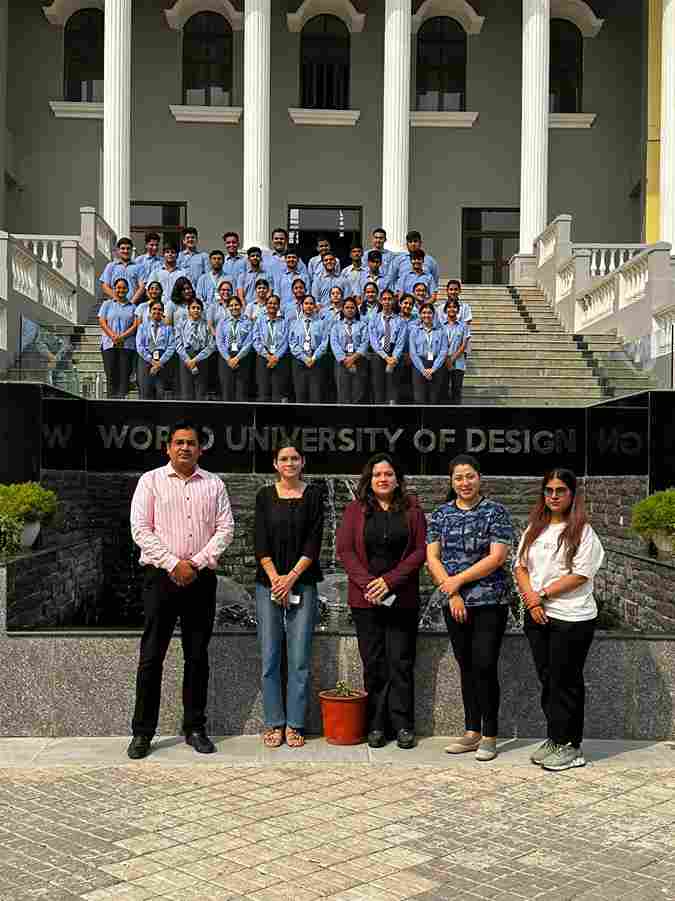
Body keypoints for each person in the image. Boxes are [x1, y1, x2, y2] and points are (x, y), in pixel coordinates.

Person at [128, 420, 234, 759]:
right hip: (160, 578)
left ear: (200, 449)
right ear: (168, 448)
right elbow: (140, 530)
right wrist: (174, 563)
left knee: (197, 657)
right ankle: (142, 732)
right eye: (179, 442)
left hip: (200, 579)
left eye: (191, 443)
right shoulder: (150, 481)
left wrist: (195, 564)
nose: (185, 448)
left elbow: (225, 529)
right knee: (151, 657)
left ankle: (195, 728)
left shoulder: (214, 484)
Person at [514, 469, 605, 772]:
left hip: (572, 617)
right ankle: (555, 738)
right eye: (549, 490)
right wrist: (531, 600)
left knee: (566, 681)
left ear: (572, 494)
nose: (553, 496)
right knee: (549, 680)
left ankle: (572, 746)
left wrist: (541, 595)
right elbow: (520, 567)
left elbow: (580, 575)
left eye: (560, 490)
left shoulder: (583, 531)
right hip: (538, 614)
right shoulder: (535, 528)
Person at [426, 455, 515, 762]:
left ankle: (490, 735)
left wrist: (457, 581)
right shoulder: (441, 514)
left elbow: (497, 557)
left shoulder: (495, 512)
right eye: (458, 478)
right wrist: (451, 593)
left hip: (490, 601)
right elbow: (432, 558)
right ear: (451, 482)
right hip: (455, 602)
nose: (464, 483)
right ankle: (471, 730)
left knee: (485, 665)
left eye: (470, 476)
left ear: (479, 478)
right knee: (466, 665)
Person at [336, 453, 427, 749]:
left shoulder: (413, 509)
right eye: (377, 475)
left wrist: (389, 581)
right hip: (366, 600)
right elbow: (345, 551)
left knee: (400, 661)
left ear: (397, 479)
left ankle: (402, 725)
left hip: (402, 598)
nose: (383, 479)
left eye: (388, 474)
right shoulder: (355, 510)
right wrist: (369, 584)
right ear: (369, 479)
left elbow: (420, 551)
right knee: (373, 663)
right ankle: (375, 725)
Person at [254, 444, 325, 748]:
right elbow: (259, 540)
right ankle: (274, 722)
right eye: (284, 458)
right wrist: (276, 580)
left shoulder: (314, 495)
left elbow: (313, 542)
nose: (290, 463)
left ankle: (295, 724)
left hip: (303, 582)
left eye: (295, 458)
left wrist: (291, 578)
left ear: (303, 462)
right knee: (270, 655)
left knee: (299, 658)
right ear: (275, 463)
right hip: (267, 584)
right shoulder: (264, 495)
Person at [98, 277, 138, 398]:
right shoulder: (107, 304)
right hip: (109, 344)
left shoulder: (133, 307)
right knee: (111, 376)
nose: (121, 290)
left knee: (124, 377)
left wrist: (122, 337)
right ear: (114, 289)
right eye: (118, 288)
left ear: (128, 289)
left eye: (124, 288)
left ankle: (122, 401)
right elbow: (102, 321)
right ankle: (111, 402)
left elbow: (135, 325)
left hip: (127, 346)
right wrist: (113, 335)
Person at [289, 294, 330, 403]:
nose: (309, 306)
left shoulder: (321, 323)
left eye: (311, 304)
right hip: (299, 361)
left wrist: (314, 358)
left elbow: (324, 343)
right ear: (302, 306)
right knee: (300, 395)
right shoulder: (294, 323)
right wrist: (304, 358)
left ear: (315, 306)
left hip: (316, 361)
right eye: (306, 303)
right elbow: (292, 343)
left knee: (316, 396)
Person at [369, 289, 407, 405]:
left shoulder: (400, 320)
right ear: (380, 301)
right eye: (384, 299)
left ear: (394, 301)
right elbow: (373, 341)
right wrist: (386, 357)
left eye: (389, 299)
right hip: (379, 354)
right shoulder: (374, 319)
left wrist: (393, 358)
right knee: (378, 386)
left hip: (394, 354)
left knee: (393, 386)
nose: (387, 302)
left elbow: (400, 342)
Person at [175, 297, 215, 400]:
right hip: (186, 358)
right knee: (186, 390)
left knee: (201, 391)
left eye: (198, 308)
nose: (196, 310)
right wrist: (188, 360)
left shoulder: (206, 325)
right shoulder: (181, 324)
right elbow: (178, 344)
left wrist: (195, 360)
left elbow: (211, 346)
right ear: (188, 310)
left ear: (201, 310)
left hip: (201, 358)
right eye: (193, 308)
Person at [331, 297, 370, 404]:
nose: (349, 310)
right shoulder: (336, 326)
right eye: (347, 307)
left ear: (356, 310)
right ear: (343, 309)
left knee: (358, 393)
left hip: (359, 361)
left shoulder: (362, 325)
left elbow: (365, 343)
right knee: (343, 394)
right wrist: (345, 360)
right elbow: (334, 344)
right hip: (342, 362)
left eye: (352, 307)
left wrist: (353, 358)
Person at [215, 295, 254, 401]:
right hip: (226, 358)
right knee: (227, 390)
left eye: (236, 305)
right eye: (231, 305)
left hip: (242, 357)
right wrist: (228, 359)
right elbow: (219, 342)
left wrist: (237, 358)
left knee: (242, 391)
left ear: (241, 306)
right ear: (228, 307)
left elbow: (249, 342)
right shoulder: (222, 322)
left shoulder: (247, 322)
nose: (234, 307)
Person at [253, 294, 290, 402]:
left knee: (278, 392)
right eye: (270, 303)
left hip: (279, 359)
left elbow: (286, 341)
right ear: (266, 305)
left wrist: (275, 357)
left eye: (275, 303)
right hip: (263, 358)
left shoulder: (284, 322)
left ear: (278, 306)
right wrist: (268, 356)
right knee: (263, 391)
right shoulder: (260, 320)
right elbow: (256, 340)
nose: (272, 305)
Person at [409, 302, 448, 405]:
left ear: (434, 314)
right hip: (419, 365)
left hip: (436, 364)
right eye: (424, 312)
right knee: (419, 398)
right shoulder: (415, 331)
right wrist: (423, 370)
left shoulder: (441, 331)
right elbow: (413, 353)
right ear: (420, 314)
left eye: (429, 313)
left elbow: (443, 351)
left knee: (434, 399)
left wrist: (433, 369)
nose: (426, 315)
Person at [136, 299, 175, 399]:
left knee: (160, 392)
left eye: (160, 309)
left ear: (163, 312)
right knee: (145, 392)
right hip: (145, 360)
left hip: (162, 362)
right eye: (154, 309)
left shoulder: (168, 328)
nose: (157, 311)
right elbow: (139, 346)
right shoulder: (142, 327)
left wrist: (159, 363)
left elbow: (171, 346)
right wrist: (151, 361)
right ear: (150, 311)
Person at [99, 237, 142, 302]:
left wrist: (131, 303)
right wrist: (118, 300)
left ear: (131, 250)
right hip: (114, 304)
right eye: (123, 248)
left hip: (133, 304)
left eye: (128, 248)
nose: (125, 251)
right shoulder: (111, 266)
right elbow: (105, 286)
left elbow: (141, 287)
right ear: (118, 250)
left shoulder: (139, 267)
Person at [444, 298, 469, 404]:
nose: (452, 309)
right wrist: (446, 359)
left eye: (454, 307)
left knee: (456, 390)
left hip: (458, 363)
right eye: (449, 307)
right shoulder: (440, 325)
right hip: (443, 363)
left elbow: (464, 345)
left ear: (458, 310)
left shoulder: (463, 325)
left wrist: (452, 359)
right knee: (443, 390)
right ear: (445, 310)